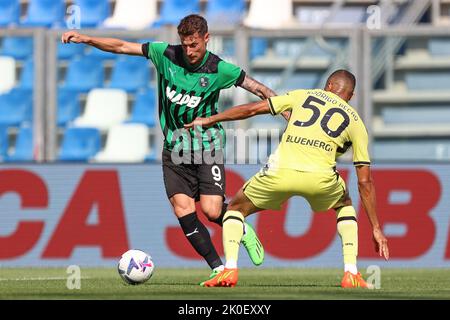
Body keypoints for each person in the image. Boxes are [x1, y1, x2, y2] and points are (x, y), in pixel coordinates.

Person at [61, 14, 288, 284]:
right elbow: (122, 47)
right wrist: (87, 38)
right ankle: (217, 267)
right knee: (183, 210)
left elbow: (258, 89)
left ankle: (240, 227)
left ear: (206, 39)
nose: (190, 51)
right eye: (185, 44)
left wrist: (286, 110)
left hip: (207, 146)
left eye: (195, 45)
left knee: (213, 211)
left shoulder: (220, 69)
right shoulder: (164, 54)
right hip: (174, 149)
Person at [185, 69, 390, 288]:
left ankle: (230, 270)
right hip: (320, 179)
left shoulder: (303, 96)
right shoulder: (356, 123)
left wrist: (211, 119)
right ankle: (351, 273)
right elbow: (364, 182)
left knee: (235, 209)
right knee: (345, 204)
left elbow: (253, 109)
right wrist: (376, 228)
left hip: (279, 172)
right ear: (351, 96)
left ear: (329, 85)